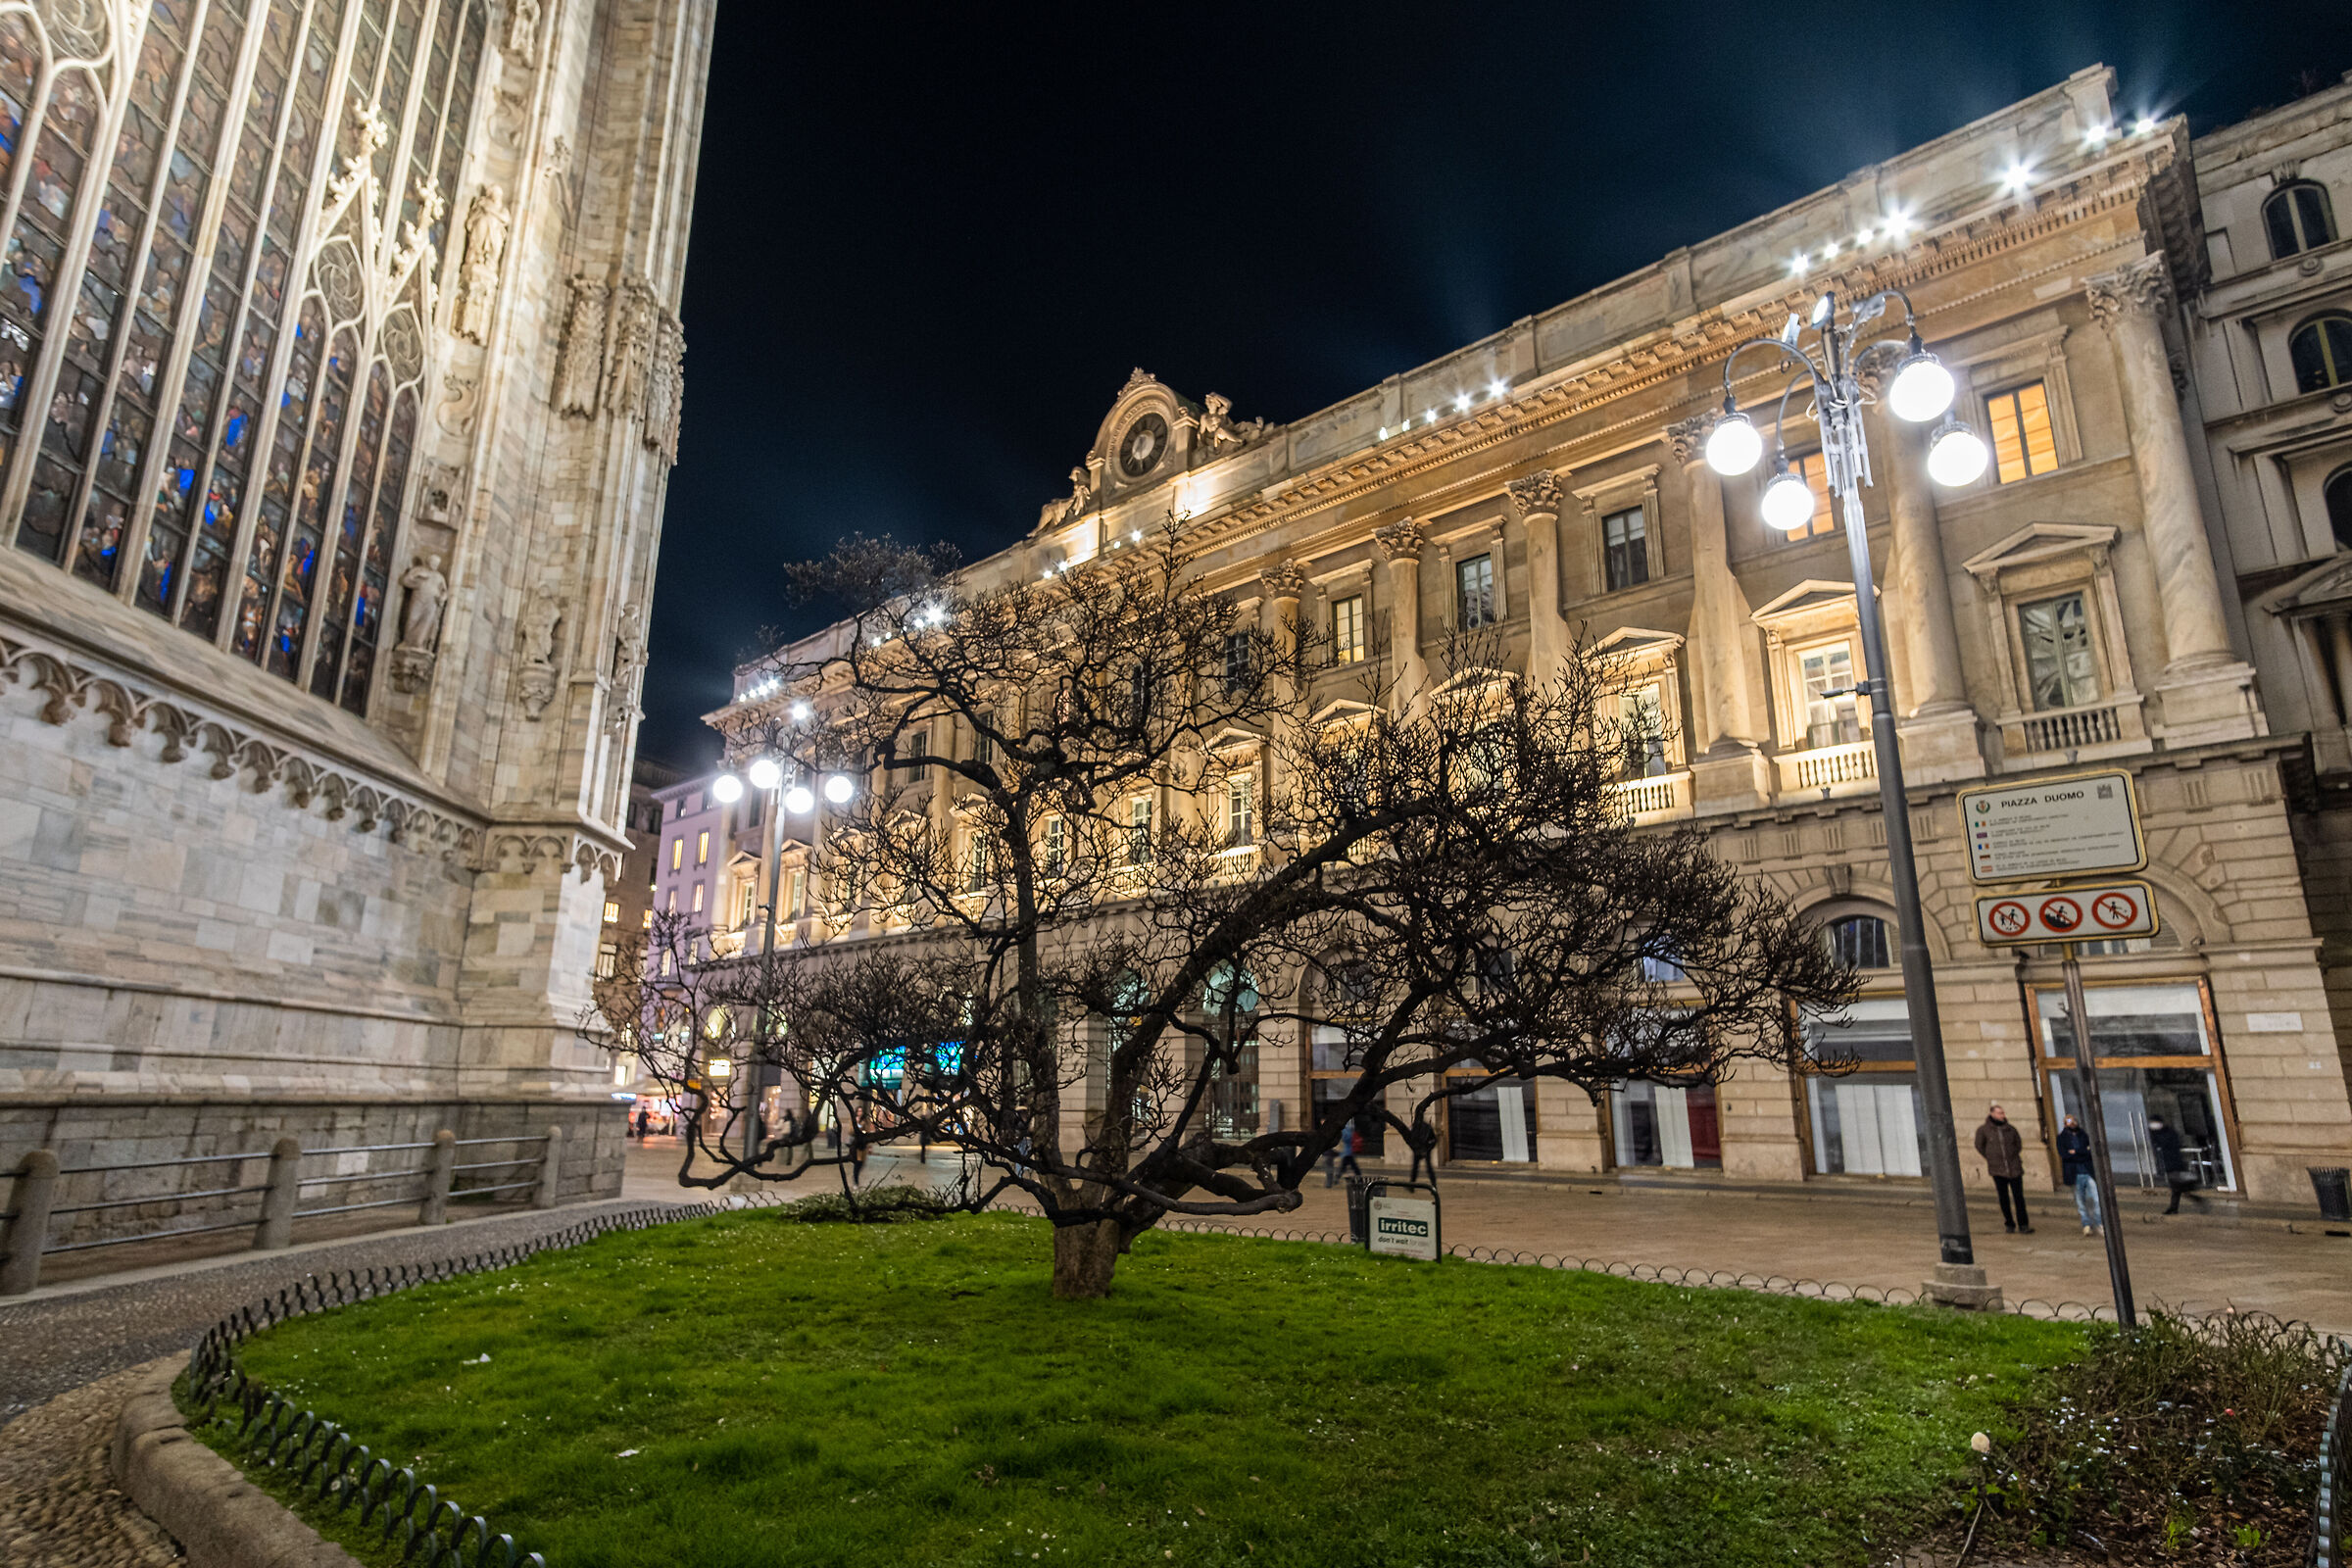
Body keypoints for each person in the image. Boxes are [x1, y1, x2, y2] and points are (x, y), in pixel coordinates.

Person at [1972, 1104, 2032, 1234]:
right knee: (2003, 1197)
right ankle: (2009, 1223)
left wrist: (2012, 1155)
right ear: (1992, 1114)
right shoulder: (1984, 1130)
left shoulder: (2010, 1129)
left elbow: (2018, 1144)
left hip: (2014, 1167)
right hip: (1997, 1169)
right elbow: (1979, 1145)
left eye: (2003, 1113)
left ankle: (2023, 1224)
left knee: (2019, 1197)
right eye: (1999, 1113)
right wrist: (1991, 1157)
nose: (2002, 1115)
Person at [2149, 1114, 2207, 1214]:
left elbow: (2167, 1146)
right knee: (2176, 1189)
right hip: (2169, 1164)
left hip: (2174, 1164)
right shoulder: (2159, 1133)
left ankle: (2194, 1201)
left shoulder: (2167, 1133)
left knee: (2178, 1188)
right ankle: (2174, 1208)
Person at [2056, 1113, 2100, 1235]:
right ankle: (2086, 1224)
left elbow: (2089, 1151)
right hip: (2074, 1173)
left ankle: (2099, 1222)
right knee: (2080, 1201)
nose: (2072, 1122)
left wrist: (2075, 1152)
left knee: (2097, 1199)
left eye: (2073, 1120)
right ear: (2065, 1124)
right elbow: (2064, 1154)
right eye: (2069, 1121)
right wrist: (2080, 1153)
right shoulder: (2061, 1138)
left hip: (2087, 1171)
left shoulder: (2083, 1135)